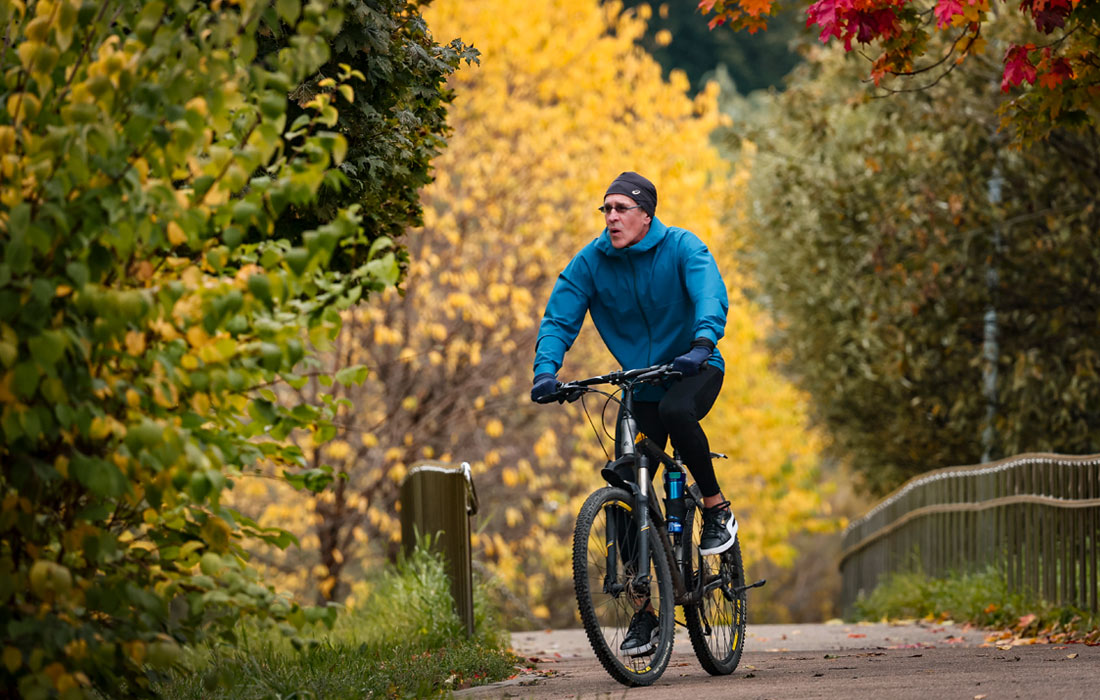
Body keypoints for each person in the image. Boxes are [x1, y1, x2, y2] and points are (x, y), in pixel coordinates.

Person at [530, 171, 735, 654]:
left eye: (622, 208)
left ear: (646, 214)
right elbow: (561, 315)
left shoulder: (683, 247)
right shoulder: (591, 262)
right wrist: (546, 372)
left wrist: (703, 341)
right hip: (638, 382)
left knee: (677, 410)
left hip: (694, 366)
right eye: (606, 209)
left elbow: (710, 293)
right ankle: (644, 612)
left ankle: (716, 509)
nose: (612, 218)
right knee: (626, 484)